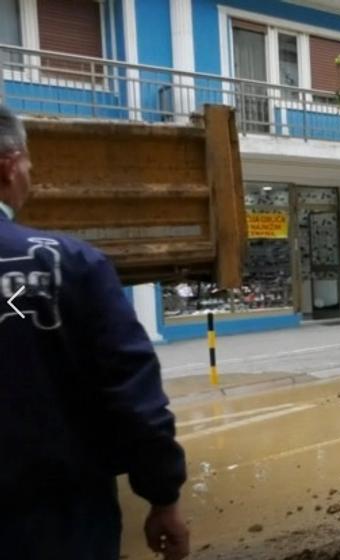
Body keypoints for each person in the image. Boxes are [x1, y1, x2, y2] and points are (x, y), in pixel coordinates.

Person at [0, 105, 190, 559]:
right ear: (8, 165)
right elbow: (134, 395)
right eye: (28, 160)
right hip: (60, 521)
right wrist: (162, 496)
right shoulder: (70, 264)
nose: (31, 172)